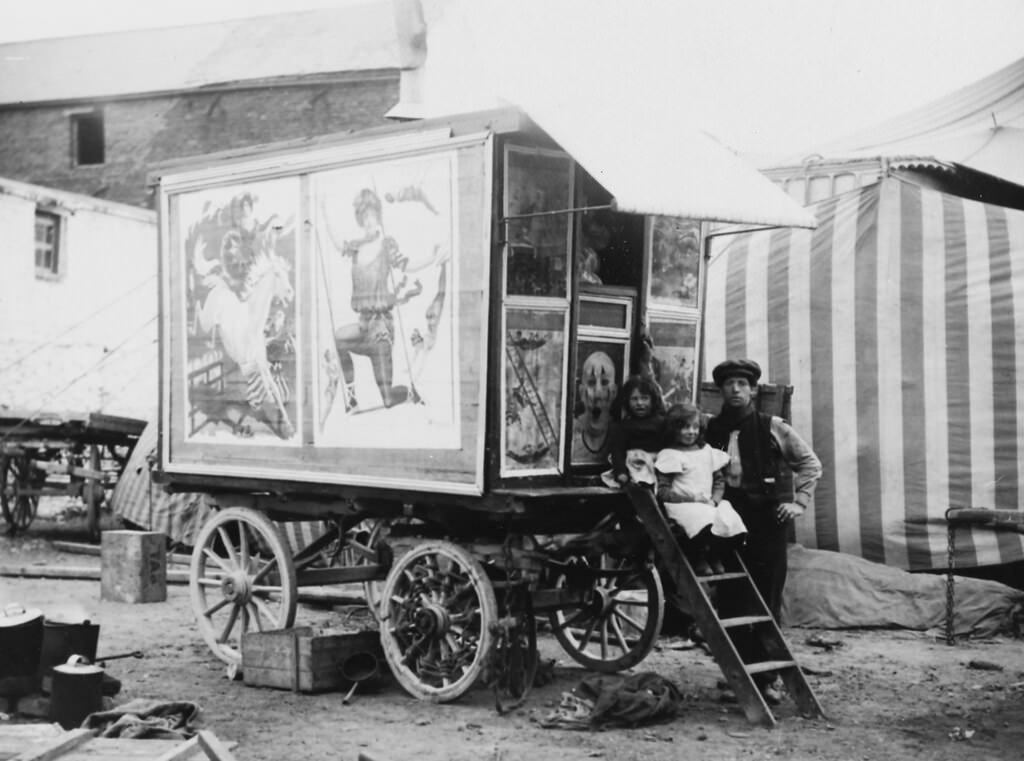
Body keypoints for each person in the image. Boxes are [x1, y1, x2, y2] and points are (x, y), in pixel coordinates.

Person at [704, 358, 822, 704]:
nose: (736, 390)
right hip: (727, 519)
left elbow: (810, 464)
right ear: (721, 391)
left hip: (766, 523)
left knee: (765, 599)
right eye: (729, 385)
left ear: (753, 389)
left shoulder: (774, 427)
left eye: (742, 384)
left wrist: (799, 502)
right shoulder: (709, 429)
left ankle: (767, 678)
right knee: (730, 599)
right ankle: (738, 674)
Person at [655, 403, 747, 576]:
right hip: (682, 505)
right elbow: (663, 491)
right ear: (674, 429)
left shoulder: (707, 452)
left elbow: (719, 481)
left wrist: (715, 500)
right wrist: (689, 499)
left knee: (729, 518)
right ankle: (698, 557)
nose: (691, 432)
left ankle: (714, 554)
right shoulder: (670, 455)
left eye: (695, 427)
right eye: (685, 427)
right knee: (703, 520)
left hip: (707, 503)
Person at [601, 374, 666, 488]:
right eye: (634, 399)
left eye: (644, 398)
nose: (639, 403)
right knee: (637, 487)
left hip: (658, 467)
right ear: (627, 401)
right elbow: (618, 451)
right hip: (634, 468)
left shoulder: (662, 423)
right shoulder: (623, 426)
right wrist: (621, 472)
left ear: (653, 400)